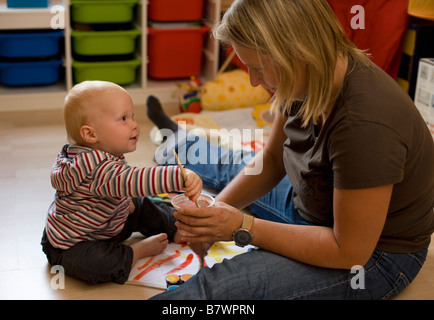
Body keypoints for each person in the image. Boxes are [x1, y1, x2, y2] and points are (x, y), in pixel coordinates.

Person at [147, 0, 434, 299]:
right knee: (237, 162)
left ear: (297, 52)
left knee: (219, 288)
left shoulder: (366, 123)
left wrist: (241, 225)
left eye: (257, 67)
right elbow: (272, 160)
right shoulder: (307, 73)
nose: (253, 81)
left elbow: (349, 250)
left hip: (372, 256)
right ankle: (177, 140)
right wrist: (215, 215)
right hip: (317, 202)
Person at [41, 80, 202, 284]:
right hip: (74, 245)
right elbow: (134, 179)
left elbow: (118, 186)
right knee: (97, 264)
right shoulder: (93, 168)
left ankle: (175, 227)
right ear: (90, 134)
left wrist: (125, 202)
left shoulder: (94, 153)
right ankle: (133, 252)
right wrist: (179, 175)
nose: (135, 124)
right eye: (123, 119)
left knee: (139, 204)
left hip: (105, 222)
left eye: (132, 116)